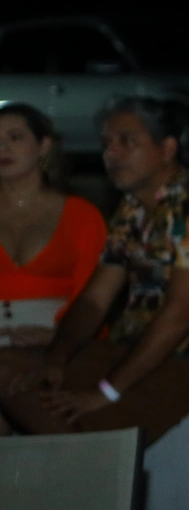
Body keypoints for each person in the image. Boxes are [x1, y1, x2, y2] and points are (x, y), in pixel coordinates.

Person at [0, 97, 189, 445]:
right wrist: (56, 358)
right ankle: (77, 457)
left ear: (166, 149)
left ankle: (90, 464)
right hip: (129, 351)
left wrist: (106, 391)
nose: (112, 153)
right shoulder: (133, 211)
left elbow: (180, 315)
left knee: (66, 411)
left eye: (126, 141)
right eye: (106, 144)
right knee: (10, 368)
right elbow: (94, 300)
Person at [0, 103, 106, 353]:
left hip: (58, 343)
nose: (3, 147)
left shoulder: (82, 215)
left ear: (44, 146)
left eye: (15, 137)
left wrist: (58, 337)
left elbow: (94, 298)